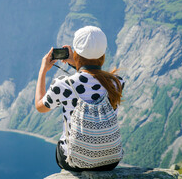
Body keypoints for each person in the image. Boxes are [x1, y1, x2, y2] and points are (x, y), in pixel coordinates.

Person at [35, 26, 125, 172]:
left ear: (76, 53)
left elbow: (40, 107)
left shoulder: (63, 85)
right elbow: (92, 79)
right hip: (111, 160)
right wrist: (77, 63)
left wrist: (43, 70)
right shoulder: (117, 83)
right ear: (103, 54)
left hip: (76, 162)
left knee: (61, 145)